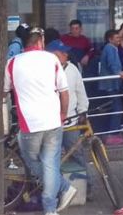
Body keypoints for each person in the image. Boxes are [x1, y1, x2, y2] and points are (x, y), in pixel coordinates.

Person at [6, 29, 78, 215]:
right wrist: (63, 114)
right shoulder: (52, 59)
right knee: (50, 163)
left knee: (32, 159)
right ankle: (53, 205)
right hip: (53, 121)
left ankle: (63, 189)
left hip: (29, 124)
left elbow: (3, 91)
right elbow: (64, 92)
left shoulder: (12, 63)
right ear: (40, 42)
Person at [47, 39, 91, 198]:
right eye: (62, 52)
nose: (66, 54)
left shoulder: (73, 69)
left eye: (65, 52)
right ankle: (55, 190)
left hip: (71, 120)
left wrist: (83, 111)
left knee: (77, 154)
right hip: (50, 123)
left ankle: (86, 187)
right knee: (52, 157)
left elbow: (81, 92)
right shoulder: (45, 70)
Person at [98, 29, 123, 145]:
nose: (119, 40)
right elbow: (112, 64)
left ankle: (114, 132)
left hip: (112, 83)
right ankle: (112, 134)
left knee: (116, 107)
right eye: (117, 38)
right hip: (110, 84)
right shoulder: (110, 48)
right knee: (117, 108)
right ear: (110, 39)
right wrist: (118, 73)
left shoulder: (111, 48)